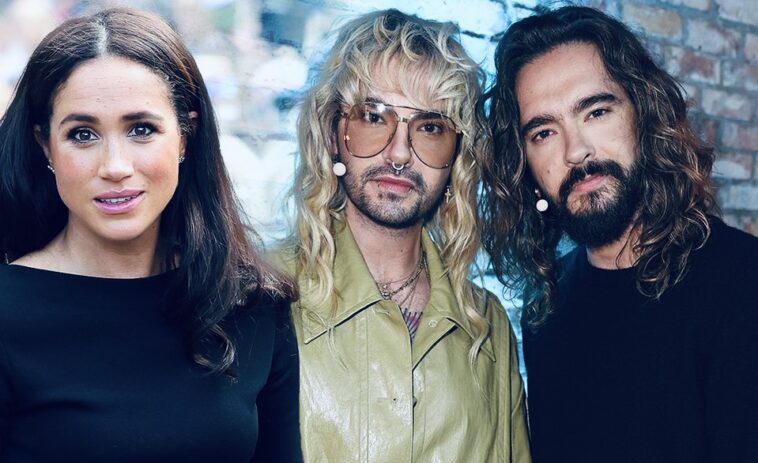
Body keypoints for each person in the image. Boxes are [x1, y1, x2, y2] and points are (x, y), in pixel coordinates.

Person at [0, 8, 302, 462]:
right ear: (46, 145)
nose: (115, 166)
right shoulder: (7, 313)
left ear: (185, 135)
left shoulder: (253, 305)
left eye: (141, 130)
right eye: (82, 134)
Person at [482, 5, 758, 463]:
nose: (576, 151)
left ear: (643, 117)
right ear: (525, 166)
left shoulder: (742, 282)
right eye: (544, 132)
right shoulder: (544, 307)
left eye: (596, 112)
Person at [276, 9, 530, 463]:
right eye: (373, 117)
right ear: (333, 134)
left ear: (456, 155)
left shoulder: (488, 326)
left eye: (430, 127)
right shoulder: (262, 291)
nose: (399, 154)